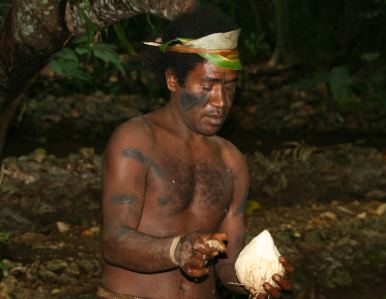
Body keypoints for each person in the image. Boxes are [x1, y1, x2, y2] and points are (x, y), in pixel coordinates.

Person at [98, 6, 293, 299]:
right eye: (208, 86)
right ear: (173, 80)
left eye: (229, 88)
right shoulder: (136, 141)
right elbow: (114, 241)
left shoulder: (232, 161)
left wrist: (259, 281)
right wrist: (177, 250)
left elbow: (228, 266)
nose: (220, 102)